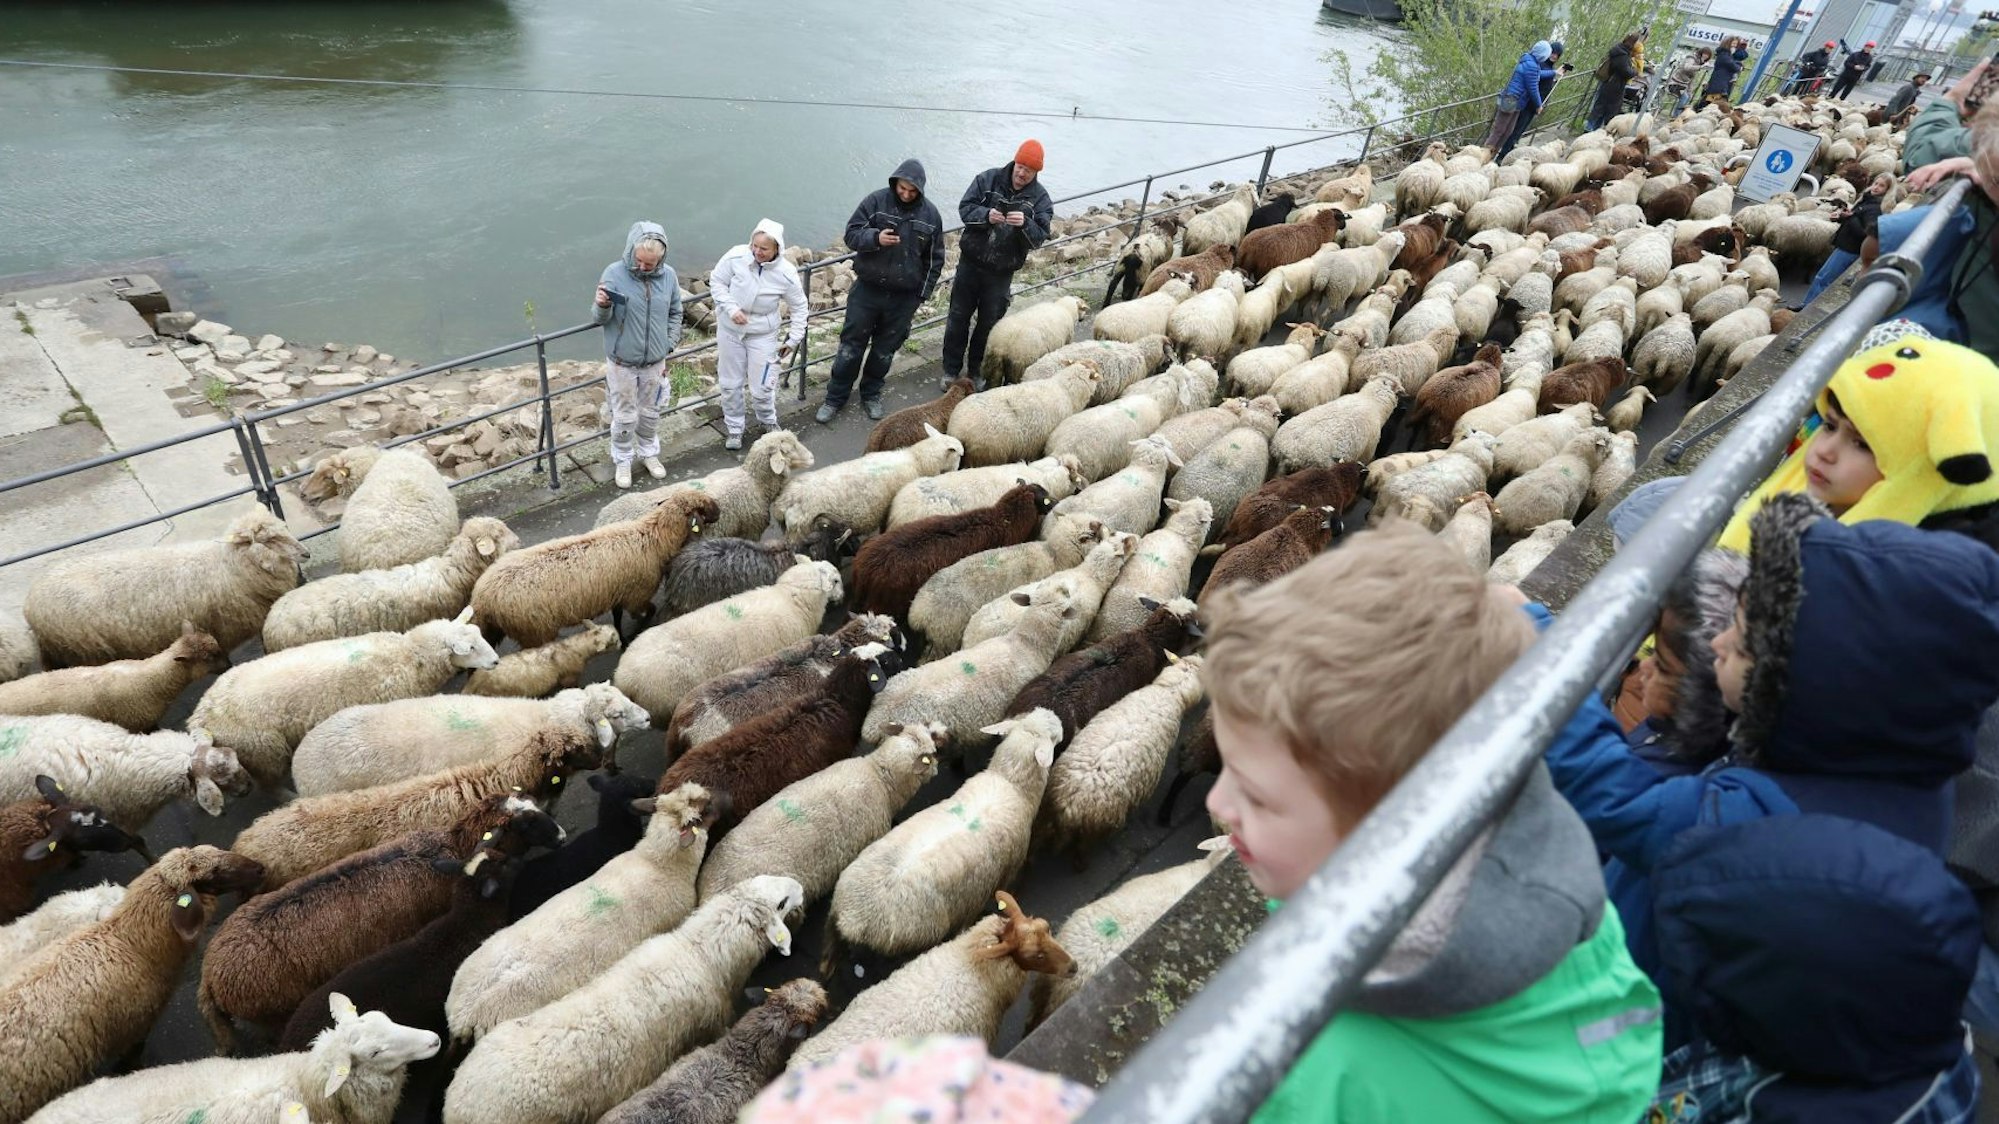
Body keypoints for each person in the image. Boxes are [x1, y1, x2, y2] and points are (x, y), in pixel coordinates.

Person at [1545, 495, 1999, 1120]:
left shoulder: (1761, 814)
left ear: (1813, 682)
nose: (1721, 642)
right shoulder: (1898, 770)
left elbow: (1620, 801)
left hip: (1654, 1022)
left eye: (1747, 636)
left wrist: (1537, 651)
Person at [1202, 525, 1663, 1122]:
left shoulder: (1315, 1068)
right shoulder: (1564, 914)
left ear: (1390, 826)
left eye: (1258, 797)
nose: (1217, 801)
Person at [817, 159, 946, 425]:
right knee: (850, 348)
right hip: (867, 291)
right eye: (902, 188)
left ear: (920, 189)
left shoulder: (931, 216)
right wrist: (875, 238)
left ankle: (871, 394)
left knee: (884, 351)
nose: (906, 194)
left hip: (903, 299)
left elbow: (934, 261)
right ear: (895, 182)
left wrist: (920, 297)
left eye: (912, 191)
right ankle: (834, 399)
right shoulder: (875, 202)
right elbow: (851, 235)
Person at [942, 141, 1054, 391]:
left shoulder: (1040, 199)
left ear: (1037, 173)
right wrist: (985, 216)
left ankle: (975, 371)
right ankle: (950, 369)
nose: (1022, 173)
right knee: (957, 318)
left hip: (1001, 273)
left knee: (988, 324)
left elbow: (1040, 236)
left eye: (1029, 170)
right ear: (1015, 162)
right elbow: (965, 209)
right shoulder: (987, 179)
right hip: (970, 264)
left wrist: (1025, 223)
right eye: (1020, 166)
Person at [590, 220, 684, 490]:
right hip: (622, 362)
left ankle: (648, 453)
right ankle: (622, 459)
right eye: (639, 260)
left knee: (651, 412)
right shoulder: (614, 273)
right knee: (624, 415)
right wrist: (601, 305)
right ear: (631, 251)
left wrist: (669, 343)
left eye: (650, 263)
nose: (643, 267)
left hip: (655, 360)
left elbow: (676, 311)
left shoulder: (669, 277)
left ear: (661, 258)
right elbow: (598, 319)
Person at [708, 219, 808, 452]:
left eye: (764, 248)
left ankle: (768, 420)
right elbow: (717, 281)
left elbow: (800, 306)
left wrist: (793, 339)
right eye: (754, 245)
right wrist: (731, 308)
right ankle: (734, 428)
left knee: (763, 385)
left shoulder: (786, 273)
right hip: (730, 331)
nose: (757, 252)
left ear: (777, 249)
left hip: (762, 334)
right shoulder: (736, 256)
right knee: (730, 384)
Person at [1804, 171, 1892, 304]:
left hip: (1850, 249)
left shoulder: (1875, 209)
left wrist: (1850, 217)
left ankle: (1806, 308)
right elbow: (1854, 218)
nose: (1876, 187)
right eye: (1876, 183)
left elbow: (1866, 233)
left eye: (1881, 186)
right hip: (1845, 244)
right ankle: (1806, 305)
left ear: (1887, 190)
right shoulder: (1866, 200)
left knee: (1824, 279)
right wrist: (1841, 217)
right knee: (1823, 277)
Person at [1498, 41, 1570, 158]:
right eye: (1553, 53)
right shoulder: (1540, 64)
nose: (1554, 56)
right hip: (1529, 104)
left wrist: (1555, 77)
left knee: (1518, 131)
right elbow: (1537, 76)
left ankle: (1507, 153)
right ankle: (1502, 156)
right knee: (1515, 131)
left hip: (1535, 105)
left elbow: (1543, 84)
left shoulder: (1549, 67)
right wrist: (1553, 73)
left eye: (1557, 55)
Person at [1485, 41, 1559, 154]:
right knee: (1499, 130)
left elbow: (1538, 74)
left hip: (1517, 102)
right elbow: (1533, 88)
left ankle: (1492, 154)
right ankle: (1485, 153)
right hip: (1512, 100)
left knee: (1508, 131)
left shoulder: (1530, 60)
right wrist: (1539, 105)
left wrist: (1554, 72)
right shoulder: (1532, 66)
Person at [1588, 31, 1643, 131]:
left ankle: (1593, 129)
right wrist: (1635, 71)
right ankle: (1592, 129)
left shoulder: (1620, 50)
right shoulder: (1622, 55)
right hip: (1614, 86)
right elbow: (1626, 72)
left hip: (1609, 83)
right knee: (1605, 110)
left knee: (1600, 108)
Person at [1665, 47, 1713, 116]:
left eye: (1708, 55)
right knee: (1685, 97)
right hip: (1675, 83)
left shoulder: (1699, 63)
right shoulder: (1692, 58)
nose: (1705, 56)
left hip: (1683, 86)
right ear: (1701, 52)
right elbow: (1686, 67)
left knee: (1688, 97)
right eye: (1705, 53)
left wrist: (1690, 91)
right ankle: (1676, 116)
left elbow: (1691, 80)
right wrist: (1700, 67)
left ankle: (1680, 115)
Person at [1703, 37, 1750, 106]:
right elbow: (1732, 65)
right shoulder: (1724, 55)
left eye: (1736, 44)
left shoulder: (1726, 54)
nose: (1735, 46)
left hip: (1720, 84)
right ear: (1728, 44)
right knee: (1712, 105)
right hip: (1718, 85)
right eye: (1733, 44)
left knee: (1712, 104)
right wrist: (1739, 66)